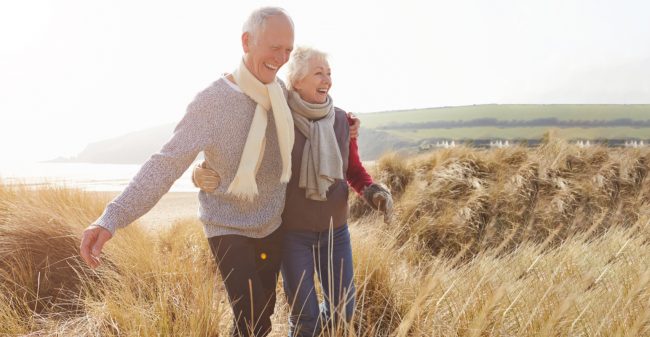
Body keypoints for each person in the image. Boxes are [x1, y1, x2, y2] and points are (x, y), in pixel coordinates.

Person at [78, 7, 358, 337]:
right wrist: (111, 217)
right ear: (246, 41)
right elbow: (166, 162)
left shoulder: (282, 94)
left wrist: (348, 125)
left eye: (287, 50)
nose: (281, 58)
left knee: (257, 322)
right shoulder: (212, 102)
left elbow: (318, 117)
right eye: (274, 47)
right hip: (227, 225)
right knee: (252, 315)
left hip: (272, 224)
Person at [193, 46, 393, 337]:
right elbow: (240, 154)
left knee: (342, 312)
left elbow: (353, 171)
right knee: (305, 317)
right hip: (291, 235)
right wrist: (200, 171)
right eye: (318, 73)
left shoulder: (341, 121)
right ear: (296, 81)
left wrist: (373, 191)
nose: (327, 79)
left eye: (329, 73)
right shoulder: (277, 120)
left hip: (336, 233)